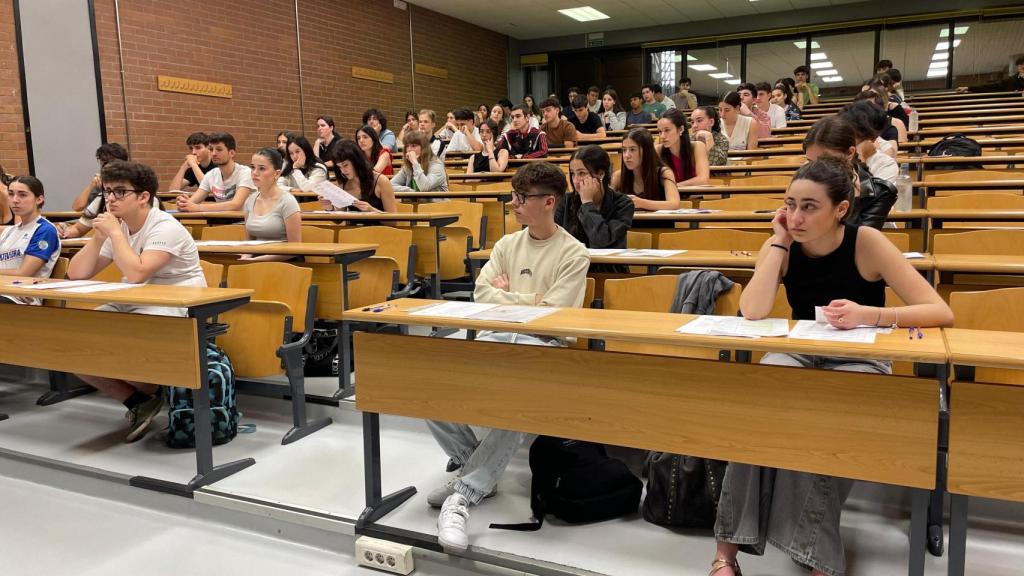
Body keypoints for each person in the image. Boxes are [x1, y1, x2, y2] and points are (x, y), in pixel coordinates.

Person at [710, 157, 953, 576]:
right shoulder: (783, 242)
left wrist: (870, 315)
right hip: (803, 351)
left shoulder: (867, 242)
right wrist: (779, 242)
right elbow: (751, 310)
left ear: (840, 209)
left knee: (824, 420)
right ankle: (725, 555)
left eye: (809, 206)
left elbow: (939, 310)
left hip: (862, 355)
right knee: (754, 410)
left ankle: (816, 558)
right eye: (790, 204)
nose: (796, 216)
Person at [430, 161, 589, 552]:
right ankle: (478, 469)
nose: (514, 204)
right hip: (498, 338)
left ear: (549, 201)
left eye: (522, 198)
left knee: (520, 384)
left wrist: (513, 297)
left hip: (544, 348)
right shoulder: (505, 245)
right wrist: (529, 300)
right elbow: (483, 295)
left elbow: (553, 312)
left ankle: (464, 495)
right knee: (425, 375)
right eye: (513, 196)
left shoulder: (573, 253)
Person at [67, 160, 208, 442]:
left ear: (144, 197)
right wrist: (98, 237)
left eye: (120, 192)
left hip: (176, 300)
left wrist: (115, 234)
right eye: (107, 191)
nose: (110, 198)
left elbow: (136, 272)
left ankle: (154, 389)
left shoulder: (164, 226)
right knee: (72, 342)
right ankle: (138, 401)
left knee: (129, 342)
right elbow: (76, 273)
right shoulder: (118, 227)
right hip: (133, 299)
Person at [803, 115, 897, 229]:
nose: (817, 169)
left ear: (850, 153)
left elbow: (855, 241)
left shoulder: (878, 193)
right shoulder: (804, 181)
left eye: (826, 160)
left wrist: (855, 199)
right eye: (810, 161)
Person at [557, 145, 633, 273]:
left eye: (582, 173)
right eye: (572, 174)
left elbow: (602, 242)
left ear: (601, 174)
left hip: (609, 274)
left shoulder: (623, 204)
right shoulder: (565, 201)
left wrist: (587, 203)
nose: (575, 180)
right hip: (572, 270)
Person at [0, 176, 60, 304]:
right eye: (11, 194)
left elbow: (23, 273)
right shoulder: (9, 231)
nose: (15, 200)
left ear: (39, 199)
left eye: (22, 195)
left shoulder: (45, 230)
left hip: (22, 298)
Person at [242, 148, 301, 260]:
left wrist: (257, 260)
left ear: (276, 173)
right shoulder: (249, 201)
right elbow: (250, 242)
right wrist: (245, 257)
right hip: (256, 259)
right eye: (252, 167)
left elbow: (295, 249)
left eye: (262, 168)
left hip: (285, 263)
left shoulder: (288, 201)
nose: (255, 173)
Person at [177, 132, 254, 213]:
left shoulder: (246, 173)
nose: (213, 153)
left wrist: (198, 207)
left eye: (219, 149)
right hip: (222, 221)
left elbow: (235, 205)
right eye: (211, 149)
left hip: (243, 222)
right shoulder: (210, 175)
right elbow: (192, 202)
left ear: (231, 153)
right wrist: (184, 203)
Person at [611, 128, 680, 212]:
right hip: (631, 224)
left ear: (646, 151)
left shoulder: (664, 173)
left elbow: (674, 204)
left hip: (660, 224)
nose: (626, 155)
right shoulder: (618, 176)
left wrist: (640, 203)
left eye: (632, 149)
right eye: (624, 150)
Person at [320, 140, 397, 213]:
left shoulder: (381, 181)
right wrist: (330, 207)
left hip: (378, 227)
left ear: (356, 161)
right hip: (352, 227)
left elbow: (393, 221)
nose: (343, 171)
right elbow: (339, 218)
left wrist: (371, 210)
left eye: (345, 165)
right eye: (339, 167)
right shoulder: (343, 183)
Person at [839, 100, 899, 183]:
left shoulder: (885, 164)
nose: (844, 139)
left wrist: (860, 159)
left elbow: (872, 195)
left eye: (854, 134)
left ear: (872, 138)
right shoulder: (830, 152)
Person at [71, 143, 130, 212]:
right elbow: (77, 207)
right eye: (102, 164)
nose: (103, 168)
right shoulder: (101, 183)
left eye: (106, 163)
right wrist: (92, 184)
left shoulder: (129, 183)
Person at [656, 109, 709, 186]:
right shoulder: (658, 150)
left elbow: (703, 180)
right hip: (668, 197)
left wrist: (673, 187)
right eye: (660, 131)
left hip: (694, 196)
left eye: (667, 130)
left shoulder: (697, 147)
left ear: (681, 129)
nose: (662, 136)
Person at [958, 55, 1024, 93]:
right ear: (1017, 66)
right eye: (1021, 64)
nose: (1023, 66)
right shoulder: (1010, 81)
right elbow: (990, 86)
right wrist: (968, 88)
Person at [314, 115, 343, 181]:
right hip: (325, 177)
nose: (319, 128)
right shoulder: (319, 144)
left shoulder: (340, 142)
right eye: (318, 126)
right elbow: (315, 163)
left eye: (323, 125)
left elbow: (337, 161)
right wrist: (317, 143)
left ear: (331, 128)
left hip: (338, 178)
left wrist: (322, 165)